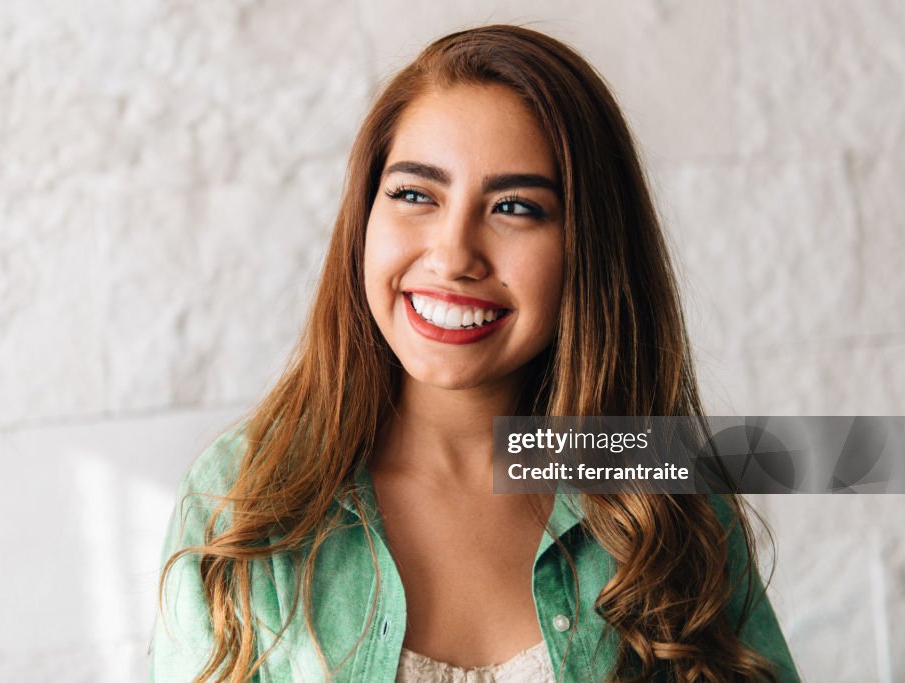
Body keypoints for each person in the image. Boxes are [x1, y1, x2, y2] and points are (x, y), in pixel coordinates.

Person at [150, 25, 800, 682]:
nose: (454, 254)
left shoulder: (662, 489)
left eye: (515, 207)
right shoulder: (241, 498)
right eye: (414, 194)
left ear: (590, 249)